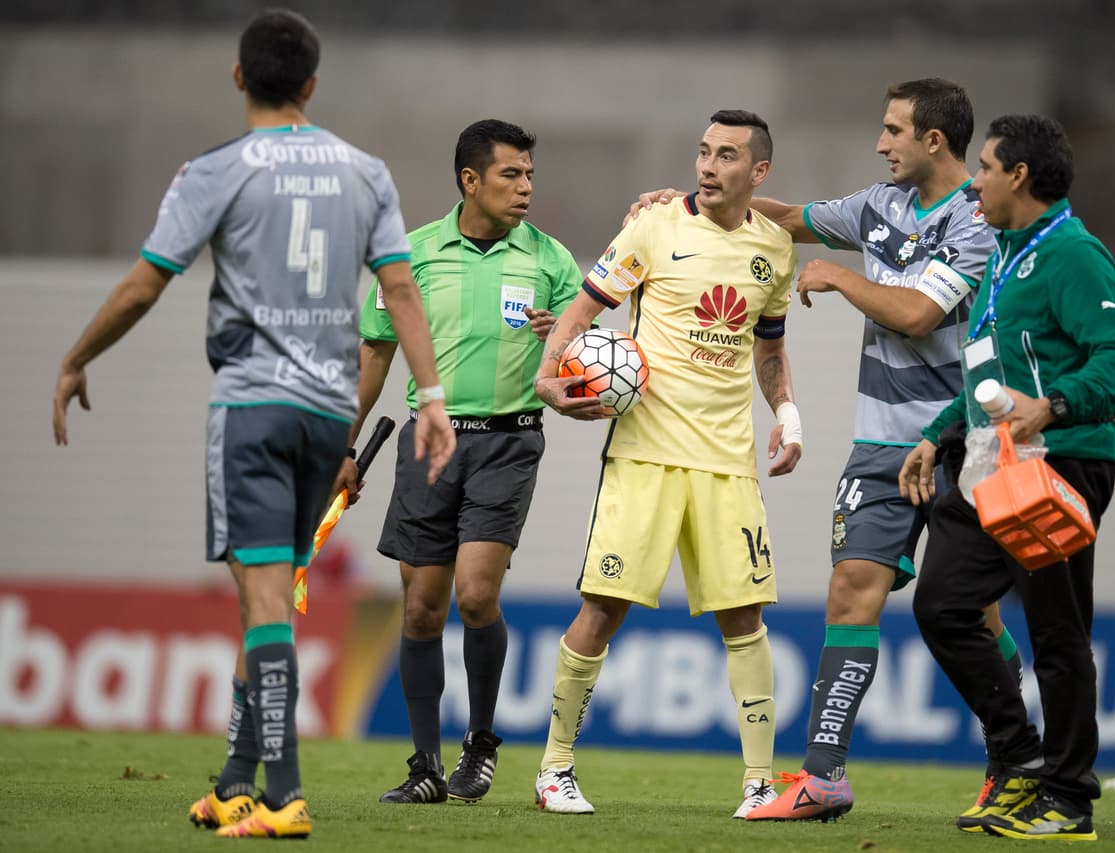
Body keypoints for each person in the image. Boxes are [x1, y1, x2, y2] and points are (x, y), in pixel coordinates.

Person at [51, 8, 455, 839]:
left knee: (265, 597)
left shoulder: (216, 169)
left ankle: (284, 797)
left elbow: (146, 282)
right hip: (327, 413)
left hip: (253, 408)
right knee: (264, 595)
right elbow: (401, 290)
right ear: (312, 83)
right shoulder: (365, 172)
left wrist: (76, 357)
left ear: (239, 76)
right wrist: (432, 396)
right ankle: (237, 781)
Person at [634, 79, 1015, 821]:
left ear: (934, 140)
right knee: (850, 589)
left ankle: (1012, 758)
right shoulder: (880, 206)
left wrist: (840, 275)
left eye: (893, 131)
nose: (881, 143)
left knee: (974, 612)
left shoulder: (977, 216)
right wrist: (688, 202)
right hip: (880, 442)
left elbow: (918, 313)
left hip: (961, 439)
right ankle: (823, 775)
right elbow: (786, 216)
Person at [531, 109, 802, 818]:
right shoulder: (651, 228)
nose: (708, 166)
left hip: (728, 461)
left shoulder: (775, 249)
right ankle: (554, 767)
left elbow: (770, 350)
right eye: (704, 151)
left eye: (727, 155)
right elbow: (581, 312)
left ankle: (760, 782)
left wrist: (789, 414)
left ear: (759, 171)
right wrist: (547, 376)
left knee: (745, 617)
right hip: (644, 452)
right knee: (603, 605)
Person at [899, 114, 1115, 842]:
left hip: (1061, 461)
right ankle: (1020, 757)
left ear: (1019, 175)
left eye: (984, 167)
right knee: (942, 604)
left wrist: (1055, 405)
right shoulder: (1006, 255)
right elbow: (987, 372)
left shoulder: (1073, 253)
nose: (973, 181)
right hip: (994, 460)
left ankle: (1069, 800)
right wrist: (936, 433)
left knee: (1056, 633)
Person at [341, 119, 581, 806]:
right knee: (421, 608)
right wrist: (344, 449)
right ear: (470, 180)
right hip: (429, 443)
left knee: (475, 595)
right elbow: (374, 355)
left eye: (530, 174)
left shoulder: (551, 261)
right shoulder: (412, 255)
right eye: (511, 174)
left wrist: (564, 344)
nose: (526, 186)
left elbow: (589, 362)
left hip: (509, 441)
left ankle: (480, 744)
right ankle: (425, 766)